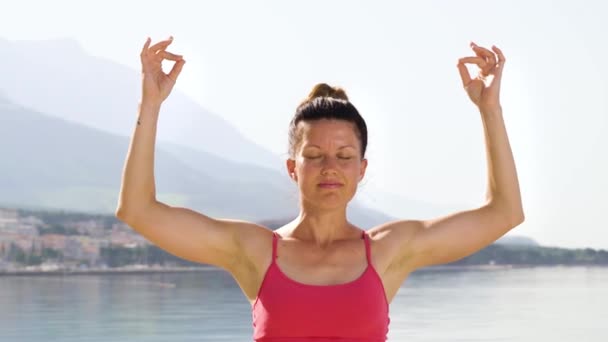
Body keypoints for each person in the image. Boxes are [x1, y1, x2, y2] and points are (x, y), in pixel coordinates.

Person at [115, 36, 524, 341]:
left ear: (361, 169)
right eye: (315, 156)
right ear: (293, 168)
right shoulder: (255, 251)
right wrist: (149, 105)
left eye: (344, 156)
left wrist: (490, 111)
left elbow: (505, 212)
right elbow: (138, 210)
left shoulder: (389, 251)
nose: (330, 167)